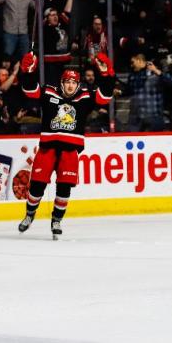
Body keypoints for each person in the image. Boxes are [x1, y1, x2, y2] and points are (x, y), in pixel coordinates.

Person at [17, 52, 115, 239]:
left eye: (74, 83)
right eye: (67, 82)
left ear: (78, 85)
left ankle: (56, 220)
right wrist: (28, 72)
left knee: (64, 188)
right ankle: (30, 215)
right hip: (47, 149)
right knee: (36, 186)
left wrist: (106, 75)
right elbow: (30, 90)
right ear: (62, 83)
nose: (70, 86)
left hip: (70, 151)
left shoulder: (84, 98)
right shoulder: (49, 92)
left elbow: (105, 97)